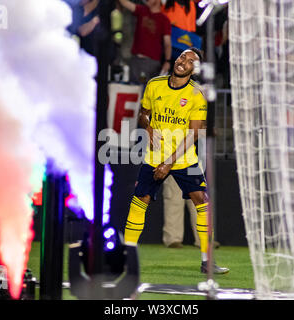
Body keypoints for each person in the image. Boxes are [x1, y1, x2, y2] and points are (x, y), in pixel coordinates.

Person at [123, 47, 229, 274]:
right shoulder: (154, 84)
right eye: (183, 56)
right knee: (139, 200)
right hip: (154, 156)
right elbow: (144, 113)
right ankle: (127, 257)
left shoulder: (197, 94)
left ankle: (206, 261)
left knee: (202, 200)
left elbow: (194, 134)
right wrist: (148, 128)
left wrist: (169, 162)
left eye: (191, 60)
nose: (184, 61)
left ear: (195, 69)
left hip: (183, 158)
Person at [117, 0, 172, 84]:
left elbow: (167, 43)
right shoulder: (142, 10)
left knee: (146, 92)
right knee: (134, 91)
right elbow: (124, 3)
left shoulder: (164, 20)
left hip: (151, 63)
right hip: (135, 60)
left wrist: (167, 61)